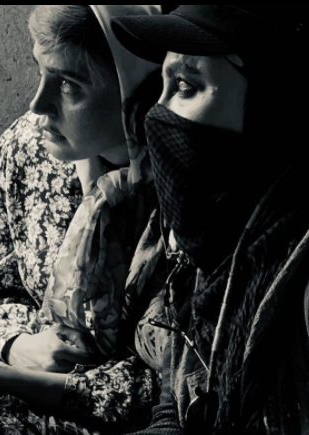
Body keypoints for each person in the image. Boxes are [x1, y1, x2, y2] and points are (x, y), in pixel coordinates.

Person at [0, 5, 167, 434]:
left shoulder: (180, 189)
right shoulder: (26, 150)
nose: (37, 104)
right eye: (40, 71)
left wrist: (6, 378)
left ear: (134, 94)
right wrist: (19, 346)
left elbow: (169, 383)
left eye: (69, 85)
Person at [106, 5, 308, 434]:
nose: (156, 116)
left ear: (271, 107)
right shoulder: (210, 256)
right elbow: (172, 412)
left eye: (185, 85)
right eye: (161, 87)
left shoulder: (296, 286)